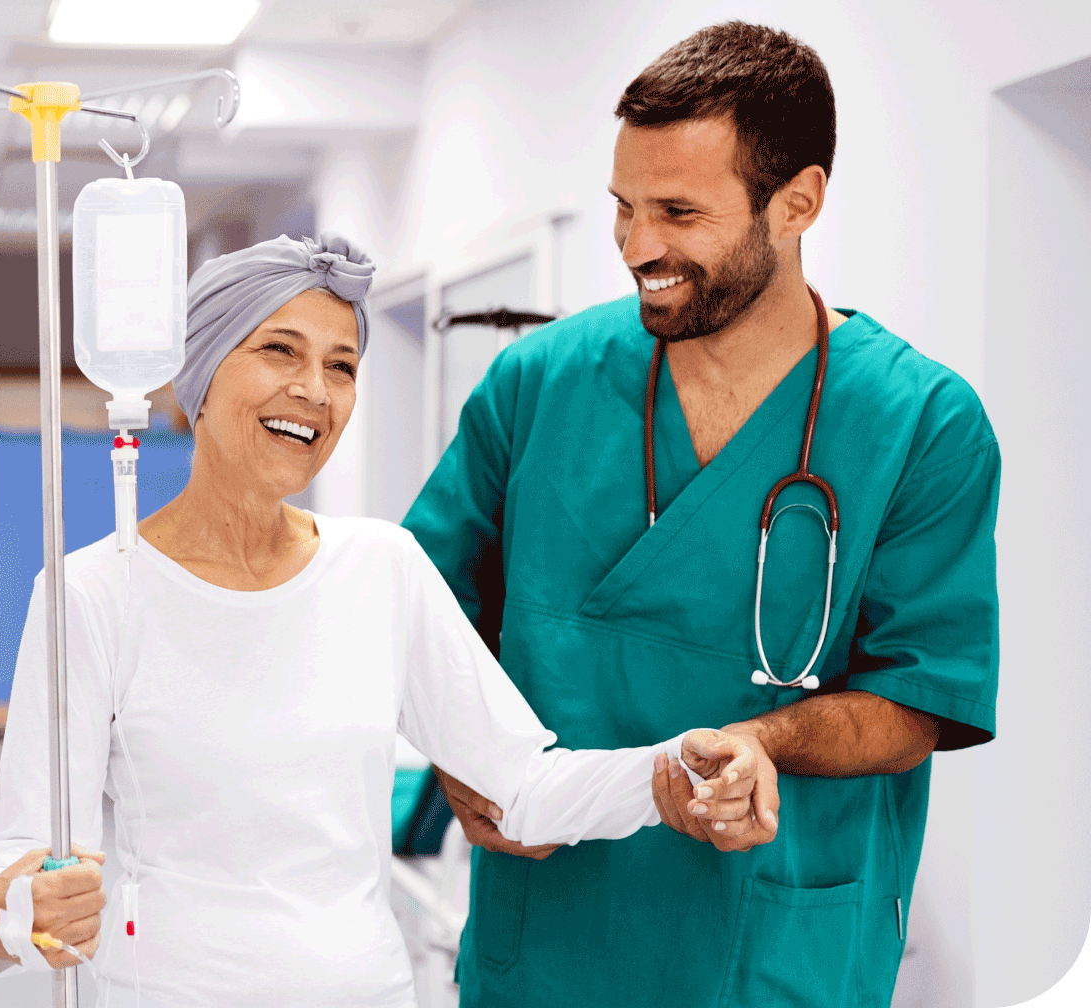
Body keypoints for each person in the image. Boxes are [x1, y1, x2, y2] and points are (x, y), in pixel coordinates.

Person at [0, 233, 774, 1007]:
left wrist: (675, 770)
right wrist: (21, 910)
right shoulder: (92, 593)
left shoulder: (383, 568)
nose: (313, 389)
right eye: (278, 349)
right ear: (196, 372)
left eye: (341, 366)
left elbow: (521, 787)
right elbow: (2, 889)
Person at [403, 21, 1000, 1008]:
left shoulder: (921, 424)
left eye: (678, 211)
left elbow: (922, 697)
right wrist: (463, 763)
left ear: (798, 201)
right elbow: (414, 608)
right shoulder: (538, 385)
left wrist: (767, 742)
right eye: (623, 208)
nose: (640, 247)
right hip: (547, 943)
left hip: (768, 951)